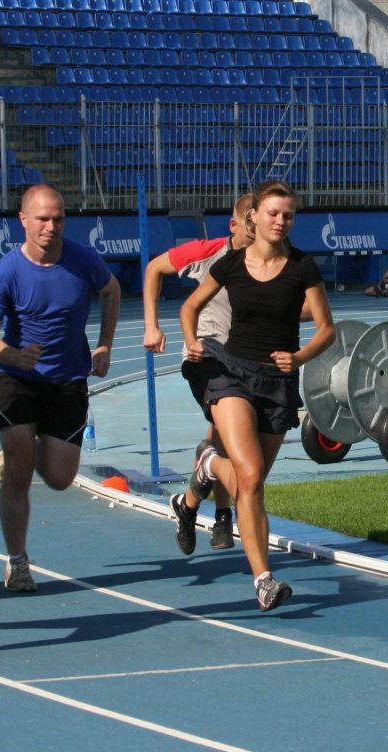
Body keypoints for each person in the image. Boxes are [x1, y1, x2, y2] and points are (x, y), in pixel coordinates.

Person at [180, 180, 335, 612]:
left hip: (277, 382)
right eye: (272, 213)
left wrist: (299, 357)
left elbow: (327, 328)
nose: (280, 221)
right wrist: (192, 341)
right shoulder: (230, 264)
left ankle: (208, 464)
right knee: (248, 477)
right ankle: (264, 580)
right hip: (229, 372)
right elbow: (189, 307)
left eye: (287, 215)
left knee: (254, 484)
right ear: (254, 217)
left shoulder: (303, 267)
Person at [0, 184, 121, 592]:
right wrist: (9, 354)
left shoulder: (81, 259)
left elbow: (111, 290)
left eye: (58, 219)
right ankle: (18, 562)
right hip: (17, 380)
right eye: (42, 219)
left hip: (68, 380)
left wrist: (105, 342)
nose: (50, 227)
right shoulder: (5, 272)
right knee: (19, 472)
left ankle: (25, 451)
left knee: (58, 477)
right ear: (23, 220)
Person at [142, 194, 255, 555]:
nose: (258, 233)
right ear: (234, 225)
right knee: (230, 435)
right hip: (206, 357)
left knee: (224, 439)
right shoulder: (208, 252)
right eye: (250, 226)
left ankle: (189, 504)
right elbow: (153, 269)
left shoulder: (274, 259)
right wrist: (151, 325)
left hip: (251, 361)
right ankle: (222, 515)